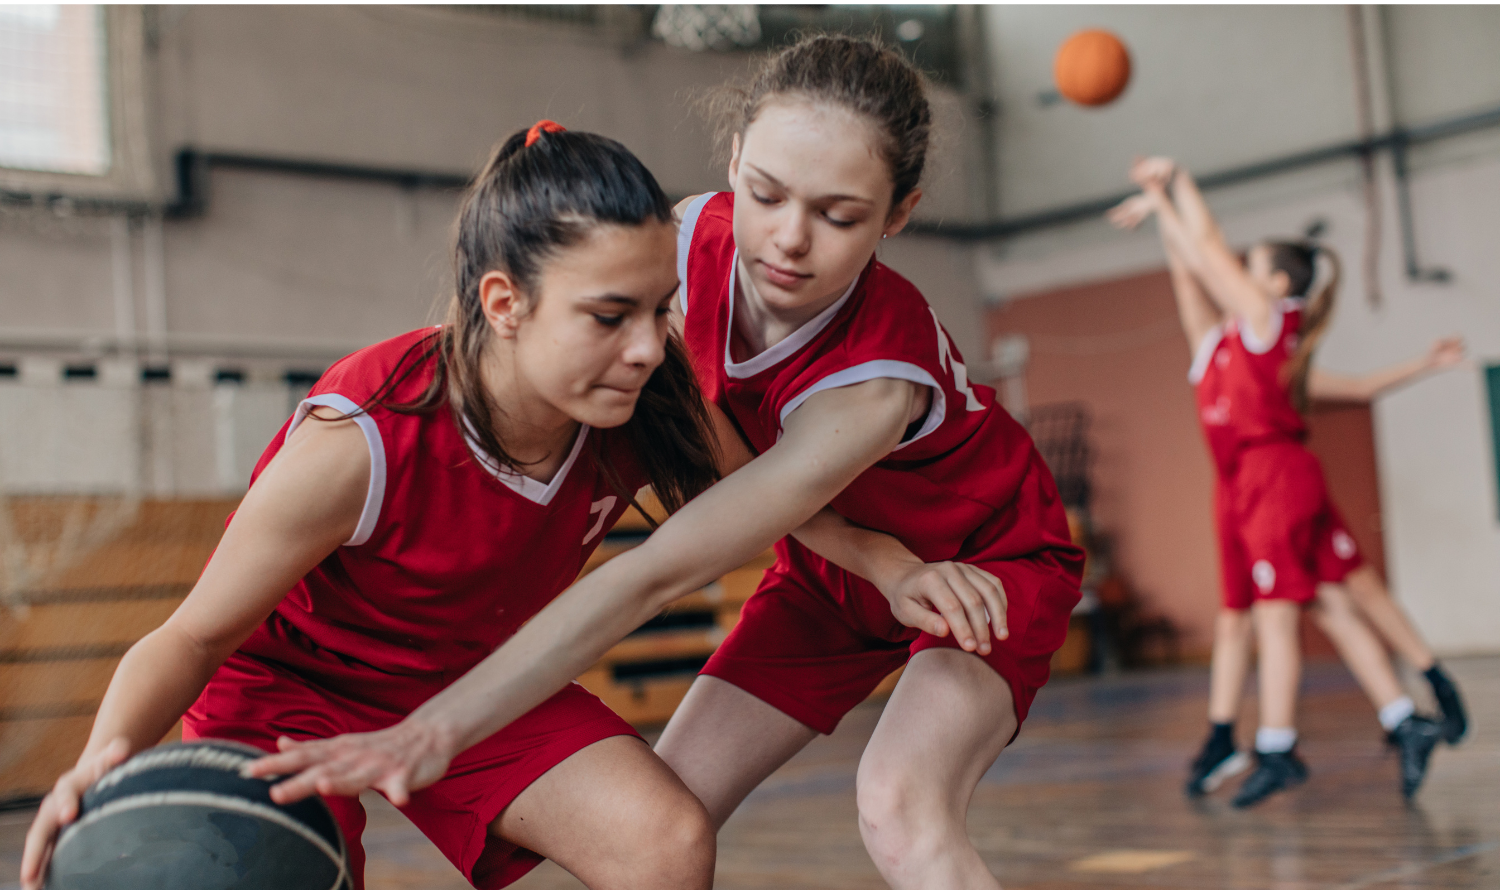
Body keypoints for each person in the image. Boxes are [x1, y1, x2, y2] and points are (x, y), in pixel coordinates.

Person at [249, 36, 1084, 890]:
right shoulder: (682, 247)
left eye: (838, 216)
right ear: (732, 165)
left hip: (977, 569)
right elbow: (719, 446)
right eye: (764, 193)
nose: (789, 240)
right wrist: (875, 560)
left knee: (900, 804)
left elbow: (650, 575)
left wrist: (435, 729)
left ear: (896, 214)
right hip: (834, 570)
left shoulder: (872, 387)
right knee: (661, 826)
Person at [28, 124, 771, 890]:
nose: (649, 345)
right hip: (288, 682)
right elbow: (190, 636)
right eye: (611, 316)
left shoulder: (641, 398)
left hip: (470, 674)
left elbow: (785, 494)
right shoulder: (360, 441)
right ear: (505, 302)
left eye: (660, 309)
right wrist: (96, 768)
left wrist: (882, 567)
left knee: (665, 842)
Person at [1109, 157, 1468, 807]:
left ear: (1274, 283)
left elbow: (1210, 253)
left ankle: (1278, 745)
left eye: (1251, 269)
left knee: (1293, 616)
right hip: (1240, 485)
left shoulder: (1267, 327)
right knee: (1329, 602)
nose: (1235, 273)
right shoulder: (1218, 345)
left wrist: (1176, 188)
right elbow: (1191, 273)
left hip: (1275, 476)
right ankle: (1402, 717)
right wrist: (1158, 206)